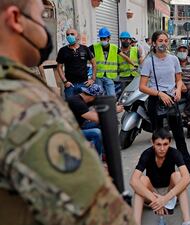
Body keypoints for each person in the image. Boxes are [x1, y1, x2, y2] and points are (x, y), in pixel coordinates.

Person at [0, 1, 135, 224]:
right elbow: (102, 215)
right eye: (41, 15)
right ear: (15, 19)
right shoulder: (25, 104)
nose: (44, 24)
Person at [139, 30, 190, 180]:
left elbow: (179, 79)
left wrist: (178, 89)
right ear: (154, 43)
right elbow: (142, 87)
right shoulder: (149, 61)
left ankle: (189, 169)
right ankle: (159, 172)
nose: (163, 43)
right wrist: (159, 93)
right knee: (159, 139)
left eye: (165, 41)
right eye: (160, 41)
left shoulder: (173, 59)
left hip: (172, 100)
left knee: (179, 137)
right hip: (157, 101)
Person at [130, 128, 190, 225]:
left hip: (170, 192)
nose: (162, 148)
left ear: (170, 142)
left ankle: (187, 221)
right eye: (158, 144)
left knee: (177, 176)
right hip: (152, 194)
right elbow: (133, 181)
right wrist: (157, 200)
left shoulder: (174, 153)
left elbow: (187, 178)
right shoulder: (147, 154)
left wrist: (165, 199)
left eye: (165, 144)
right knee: (142, 180)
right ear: (152, 143)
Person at [66, 84, 124, 155]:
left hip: (76, 126)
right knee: (96, 133)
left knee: (106, 125)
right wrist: (113, 110)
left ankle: (105, 153)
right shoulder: (77, 103)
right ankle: (98, 159)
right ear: (94, 97)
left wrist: (110, 107)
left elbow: (92, 113)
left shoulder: (80, 98)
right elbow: (97, 118)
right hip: (69, 132)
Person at [89, 27, 135, 96]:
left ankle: (112, 106)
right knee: (99, 96)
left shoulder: (114, 47)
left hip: (109, 77)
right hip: (98, 76)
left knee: (112, 96)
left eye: (104, 38)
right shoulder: (94, 47)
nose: (102, 40)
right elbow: (85, 54)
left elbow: (124, 57)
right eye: (101, 38)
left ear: (109, 38)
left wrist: (134, 64)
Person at [56, 28, 96, 98]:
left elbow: (94, 64)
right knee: (71, 106)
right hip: (70, 85)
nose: (69, 36)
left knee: (83, 106)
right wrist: (65, 82)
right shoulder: (63, 50)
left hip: (84, 84)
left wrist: (92, 79)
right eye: (67, 35)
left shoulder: (85, 49)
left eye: (72, 34)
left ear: (77, 36)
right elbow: (59, 67)